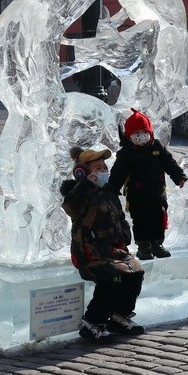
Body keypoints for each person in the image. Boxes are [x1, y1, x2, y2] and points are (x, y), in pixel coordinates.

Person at [60, 146, 146, 342]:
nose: (103, 172)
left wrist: (125, 235)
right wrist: (85, 185)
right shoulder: (78, 193)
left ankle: (119, 317)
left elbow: (121, 217)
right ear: (83, 172)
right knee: (112, 281)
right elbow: (70, 207)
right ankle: (92, 323)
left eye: (104, 167)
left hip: (113, 251)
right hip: (91, 252)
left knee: (135, 274)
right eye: (97, 169)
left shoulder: (108, 192)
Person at [110, 108, 187, 260]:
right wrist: (111, 189)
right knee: (141, 221)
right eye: (137, 134)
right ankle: (144, 246)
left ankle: (157, 244)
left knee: (159, 219)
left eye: (145, 133)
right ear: (129, 136)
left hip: (157, 193)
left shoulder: (157, 148)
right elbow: (118, 173)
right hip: (137, 196)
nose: (141, 137)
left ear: (150, 133)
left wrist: (179, 176)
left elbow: (169, 163)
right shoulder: (126, 154)